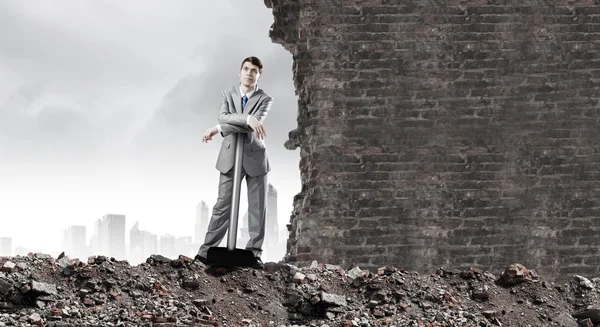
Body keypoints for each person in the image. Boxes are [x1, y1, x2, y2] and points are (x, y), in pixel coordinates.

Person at [195, 56, 274, 269]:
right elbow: (224, 117)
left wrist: (220, 127)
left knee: (257, 209)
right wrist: (247, 119)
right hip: (230, 157)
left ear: (259, 75)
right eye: (246, 69)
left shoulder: (265, 99)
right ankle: (205, 252)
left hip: (255, 158)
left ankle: (254, 253)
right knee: (222, 206)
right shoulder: (227, 94)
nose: (249, 73)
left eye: (254, 70)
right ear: (240, 72)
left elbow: (237, 123)